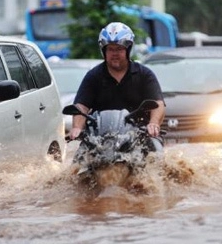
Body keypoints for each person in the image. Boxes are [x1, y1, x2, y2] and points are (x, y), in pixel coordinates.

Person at [68, 22, 165, 151]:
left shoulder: (144, 74)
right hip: (100, 139)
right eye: (110, 49)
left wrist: (153, 123)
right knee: (78, 161)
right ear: (104, 51)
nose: (114, 53)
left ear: (128, 49)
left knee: (157, 154)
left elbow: (158, 104)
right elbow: (81, 106)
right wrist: (77, 128)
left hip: (139, 135)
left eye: (119, 49)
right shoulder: (93, 76)